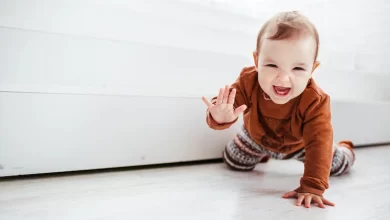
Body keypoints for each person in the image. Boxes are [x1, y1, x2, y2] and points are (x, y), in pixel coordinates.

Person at [201, 11, 355, 209]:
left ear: (312, 69)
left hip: (301, 146)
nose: (283, 78)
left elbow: (318, 141)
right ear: (257, 62)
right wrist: (220, 116)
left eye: (298, 69)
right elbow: (228, 102)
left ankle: (345, 149)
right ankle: (262, 154)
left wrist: (312, 186)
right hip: (255, 138)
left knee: (335, 165)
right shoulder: (248, 81)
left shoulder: (315, 100)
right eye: (272, 65)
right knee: (234, 161)